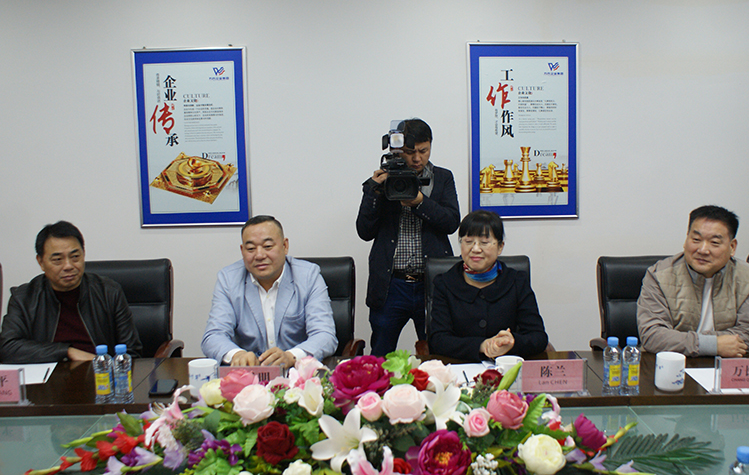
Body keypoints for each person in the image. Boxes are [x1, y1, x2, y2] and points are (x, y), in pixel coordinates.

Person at [356, 119, 460, 356]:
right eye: (410, 152)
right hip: (391, 284)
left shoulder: (443, 177)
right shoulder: (384, 180)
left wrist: (420, 202)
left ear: (430, 146)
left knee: (438, 352)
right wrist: (373, 191)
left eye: (423, 151)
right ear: (397, 150)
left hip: (432, 283)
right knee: (381, 353)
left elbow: (452, 222)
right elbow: (364, 231)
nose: (417, 159)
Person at [201, 215, 338, 367]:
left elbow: (324, 335)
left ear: (285, 246)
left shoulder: (308, 276)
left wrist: (291, 356)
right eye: (251, 249)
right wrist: (237, 355)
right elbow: (213, 336)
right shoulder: (228, 279)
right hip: (248, 374)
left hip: (296, 372)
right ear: (242, 250)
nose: (259, 255)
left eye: (267, 246)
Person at [0, 221, 142, 363]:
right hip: (49, 374)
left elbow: (132, 352)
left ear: (83, 255)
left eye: (75, 257)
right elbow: (6, 347)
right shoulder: (24, 298)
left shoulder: (109, 292)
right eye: (57, 260)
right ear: (41, 262)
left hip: (100, 373)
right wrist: (67, 352)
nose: (68, 266)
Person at [637, 205, 749, 357]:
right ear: (686, 240)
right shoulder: (659, 275)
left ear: (732, 247)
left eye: (714, 242)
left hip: (724, 366)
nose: (703, 250)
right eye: (696, 240)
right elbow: (652, 336)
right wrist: (713, 345)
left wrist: (682, 340)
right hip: (670, 364)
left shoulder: (747, 276)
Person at [428, 210, 549, 362]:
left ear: (500, 247)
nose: (475, 249)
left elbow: (538, 337)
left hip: (507, 367)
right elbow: (438, 340)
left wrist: (512, 342)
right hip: (459, 368)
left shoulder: (516, 281)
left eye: (484, 243)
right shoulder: (444, 283)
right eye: (468, 241)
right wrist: (482, 345)